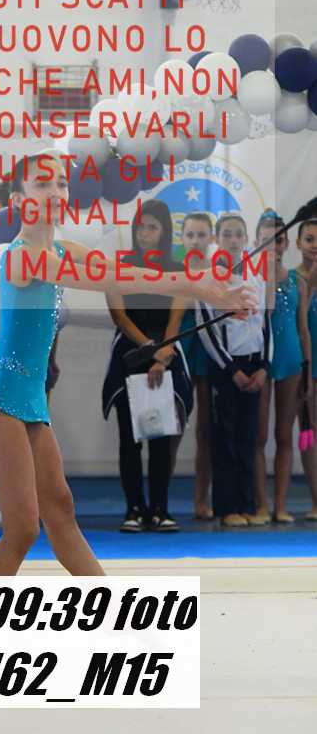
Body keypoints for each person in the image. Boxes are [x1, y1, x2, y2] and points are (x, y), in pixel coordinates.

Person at [0, 154, 256, 576]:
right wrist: (198, 286)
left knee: (60, 510)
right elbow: (109, 280)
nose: (56, 191)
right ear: (20, 200)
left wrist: (205, 284)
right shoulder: (21, 258)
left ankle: (106, 604)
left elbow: (121, 271)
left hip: (28, 400)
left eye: (61, 183)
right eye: (42, 184)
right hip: (0, 397)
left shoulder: (62, 249)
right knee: (22, 530)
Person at [102, 200, 193, 533]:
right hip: (130, 352)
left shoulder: (178, 269)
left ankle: (160, 509)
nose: (145, 234)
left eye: (152, 227)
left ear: (164, 231)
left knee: (160, 436)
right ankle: (133, 508)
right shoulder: (118, 266)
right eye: (140, 227)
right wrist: (147, 349)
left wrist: (162, 354)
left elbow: (176, 317)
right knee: (130, 437)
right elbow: (119, 316)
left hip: (166, 350)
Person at [196, 214, 272, 527]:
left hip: (254, 365)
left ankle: (248, 504)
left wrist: (264, 366)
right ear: (217, 239)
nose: (233, 240)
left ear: (246, 239)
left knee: (247, 437)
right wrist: (230, 369)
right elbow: (206, 329)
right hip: (225, 366)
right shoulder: (208, 278)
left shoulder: (257, 276)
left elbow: (265, 322)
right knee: (224, 437)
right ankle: (227, 508)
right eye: (227, 234)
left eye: (238, 234)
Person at [255, 211, 311, 524]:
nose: (272, 246)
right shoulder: (252, 279)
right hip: (263, 360)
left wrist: (307, 370)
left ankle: (280, 504)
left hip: (290, 359)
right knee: (260, 436)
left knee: (285, 435)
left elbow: (303, 330)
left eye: (277, 240)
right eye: (266, 240)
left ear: (286, 243)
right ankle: (261, 504)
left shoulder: (297, 282)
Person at [177, 213, 215, 520]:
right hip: (181, 349)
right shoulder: (174, 273)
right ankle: (161, 500)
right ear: (181, 239)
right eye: (190, 235)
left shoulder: (217, 273)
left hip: (210, 351)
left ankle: (201, 498)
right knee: (173, 427)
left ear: (211, 239)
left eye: (201, 235)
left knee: (206, 430)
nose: (195, 241)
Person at [295, 218, 317, 520]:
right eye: (310, 239)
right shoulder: (293, 279)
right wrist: (311, 284)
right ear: (298, 243)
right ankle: (315, 500)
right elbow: (298, 324)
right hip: (307, 364)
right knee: (310, 431)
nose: (315, 245)